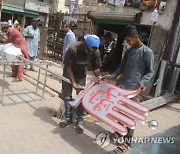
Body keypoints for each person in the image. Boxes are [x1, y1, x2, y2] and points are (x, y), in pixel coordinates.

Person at [104, 26, 155, 153]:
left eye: (128, 39)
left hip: (134, 90)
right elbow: (122, 67)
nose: (127, 42)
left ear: (136, 37)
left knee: (130, 116)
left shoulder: (147, 52)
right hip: (123, 87)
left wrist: (143, 82)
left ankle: (127, 143)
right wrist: (113, 75)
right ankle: (119, 132)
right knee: (120, 112)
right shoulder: (129, 51)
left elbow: (150, 71)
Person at [59, 34, 102, 134]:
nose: (90, 53)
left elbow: (96, 68)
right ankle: (68, 117)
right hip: (68, 73)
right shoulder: (73, 49)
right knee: (67, 96)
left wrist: (99, 79)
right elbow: (68, 67)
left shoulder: (95, 52)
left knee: (81, 97)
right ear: (84, 43)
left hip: (81, 75)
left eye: (92, 51)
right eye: (88, 50)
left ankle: (80, 121)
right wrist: (73, 82)